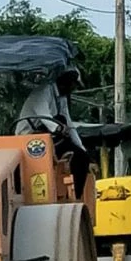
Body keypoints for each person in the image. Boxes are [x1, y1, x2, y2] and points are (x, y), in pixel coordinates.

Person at [15, 70, 91, 198]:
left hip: (49, 139)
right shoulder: (43, 92)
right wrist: (58, 128)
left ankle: (77, 196)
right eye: (74, 85)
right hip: (29, 138)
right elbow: (43, 115)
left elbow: (69, 123)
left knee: (82, 157)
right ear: (67, 82)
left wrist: (81, 147)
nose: (74, 89)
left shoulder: (61, 98)